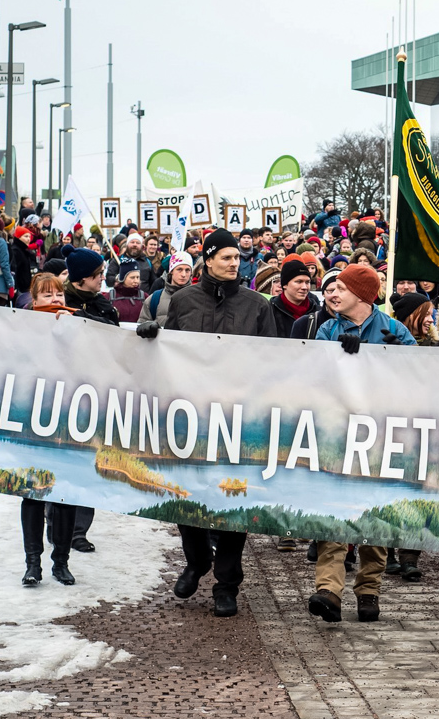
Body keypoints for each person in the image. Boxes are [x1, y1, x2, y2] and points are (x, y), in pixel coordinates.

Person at [144, 228, 278, 618]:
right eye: (226, 258)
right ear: (208, 258)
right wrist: (150, 337)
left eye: (238, 258)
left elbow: (273, 360)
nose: (234, 264)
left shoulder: (257, 305)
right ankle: (197, 558)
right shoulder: (184, 300)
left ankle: (226, 584)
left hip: (238, 417)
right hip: (191, 416)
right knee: (185, 493)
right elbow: (167, 354)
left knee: (233, 500)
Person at [308, 264, 416, 623]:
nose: (333, 294)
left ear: (362, 295)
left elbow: (421, 376)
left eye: (341, 287)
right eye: (332, 288)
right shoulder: (327, 328)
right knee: (334, 508)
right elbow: (315, 374)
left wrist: (396, 357)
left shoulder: (393, 329)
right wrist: (340, 356)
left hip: (382, 434)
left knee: (376, 512)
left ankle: (369, 589)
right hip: (338, 432)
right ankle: (329, 590)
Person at [20, 273, 80, 586]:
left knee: (65, 494)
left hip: (68, 420)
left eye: (59, 295)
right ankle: (33, 563)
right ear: (34, 301)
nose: (56, 301)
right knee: (33, 492)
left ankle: (61, 561)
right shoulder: (20, 327)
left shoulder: (79, 326)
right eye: (47, 296)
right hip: (34, 419)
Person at [63, 249, 120, 325]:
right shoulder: (62, 301)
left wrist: (85, 317)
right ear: (84, 276)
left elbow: (115, 332)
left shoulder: (102, 302)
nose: (104, 278)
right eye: (100, 273)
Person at [139, 253, 193, 326]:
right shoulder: (154, 299)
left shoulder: (198, 299)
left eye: (187, 270)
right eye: (179, 269)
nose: (183, 274)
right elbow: (141, 326)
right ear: (171, 271)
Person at [270, 259, 317, 337]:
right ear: (285, 285)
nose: (304, 287)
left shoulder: (317, 312)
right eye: (299, 282)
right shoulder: (270, 311)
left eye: (307, 282)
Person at [292, 270, 339, 339]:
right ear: (323, 293)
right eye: (331, 291)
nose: (336, 295)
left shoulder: (358, 323)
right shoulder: (304, 323)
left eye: (341, 290)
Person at [110, 259, 147, 323]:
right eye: (132, 278)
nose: (136, 281)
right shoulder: (110, 297)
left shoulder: (145, 297)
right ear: (123, 278)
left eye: (138, 277)